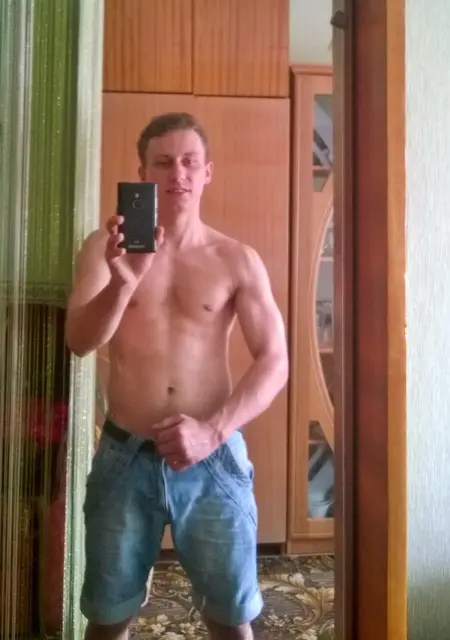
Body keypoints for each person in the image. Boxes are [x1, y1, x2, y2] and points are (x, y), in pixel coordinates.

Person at [66, 112, 288, 640]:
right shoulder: (104, 249)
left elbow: (275, 360)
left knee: (231, 620)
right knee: (107, 619)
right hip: (125, 457)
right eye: (163, 162)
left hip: (214, 460)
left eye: (189, 161)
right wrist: (123, 283)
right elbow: (79, 341)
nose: (178, 173)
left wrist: (212, 431)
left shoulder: (236, 259)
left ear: (207, 171)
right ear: (142, 172)